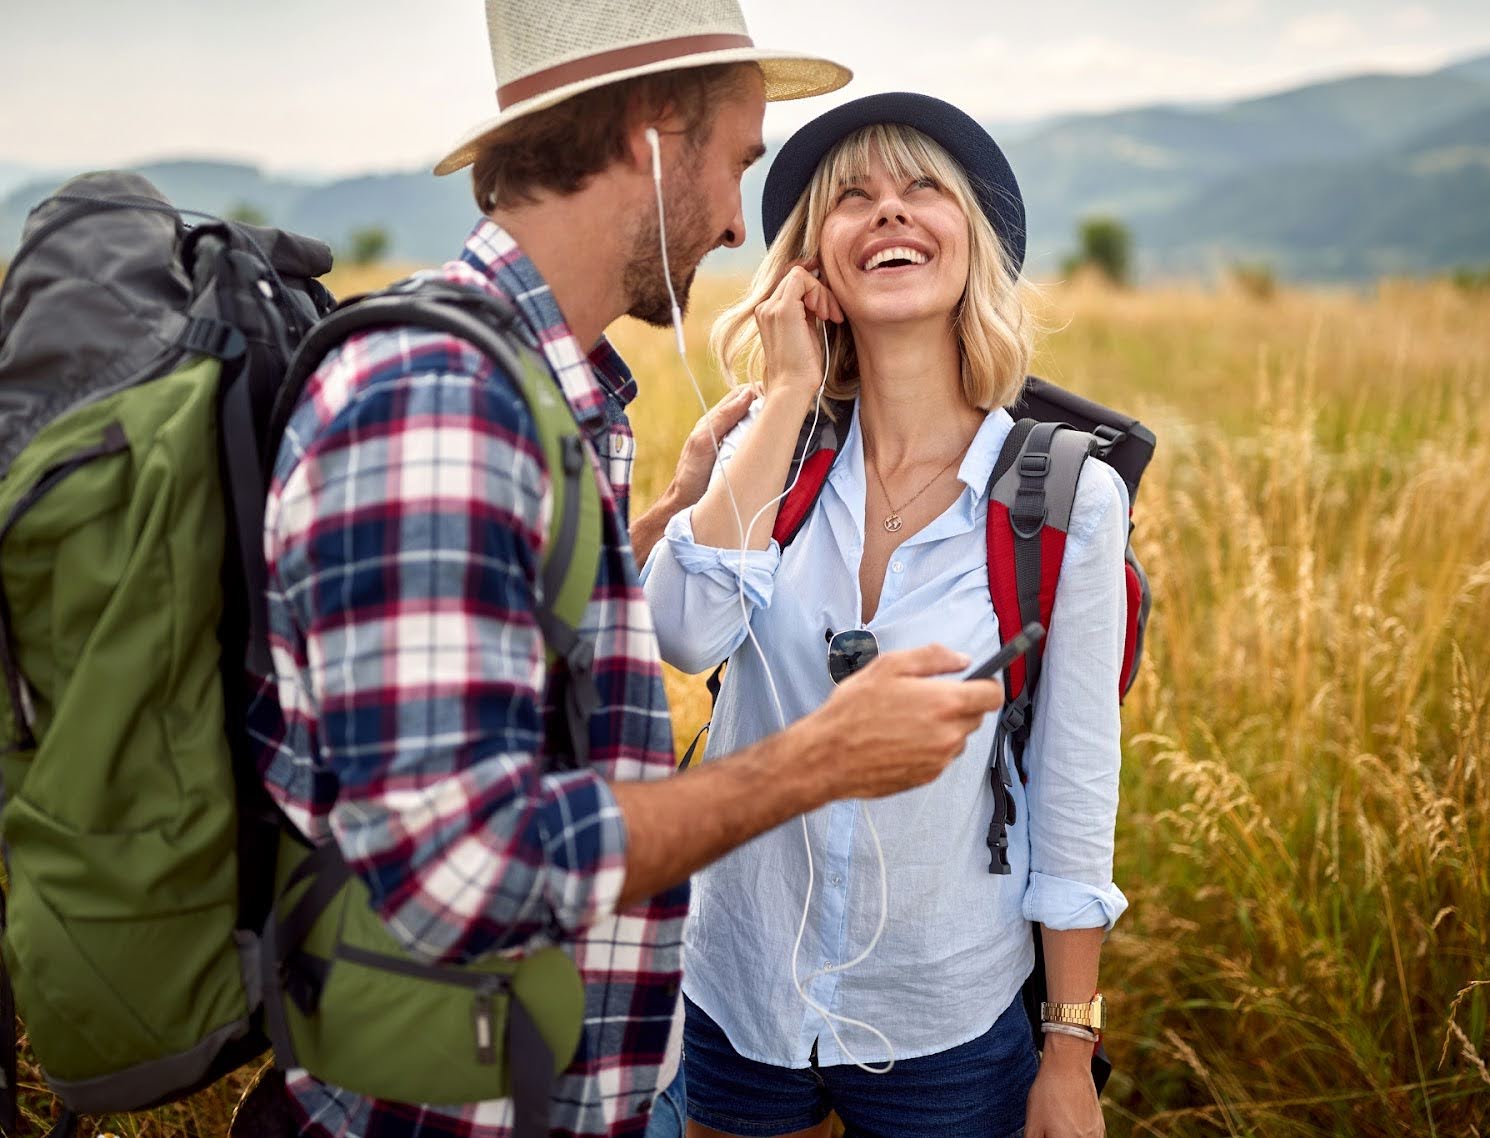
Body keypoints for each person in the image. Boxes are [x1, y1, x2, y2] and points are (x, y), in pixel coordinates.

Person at [246, 4, 1007, 1134]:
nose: (744, 231)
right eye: (740, 162)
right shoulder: (439, 404)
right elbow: (460, 867)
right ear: (656, 127)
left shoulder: (549, 392)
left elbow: (530, 655)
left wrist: (652, 526)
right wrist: (814, 761)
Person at [641, 93, 1129, 1138]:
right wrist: (783, 395)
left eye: (922, 191)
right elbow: (682, 635)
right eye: (853, 199)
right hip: (737, 985)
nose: (891, 214)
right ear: (811, 264)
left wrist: (1070, 1052)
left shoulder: (1062, 496)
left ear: (974, 240)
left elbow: (1074, 786)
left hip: (945, 1005)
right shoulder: (773, 450)